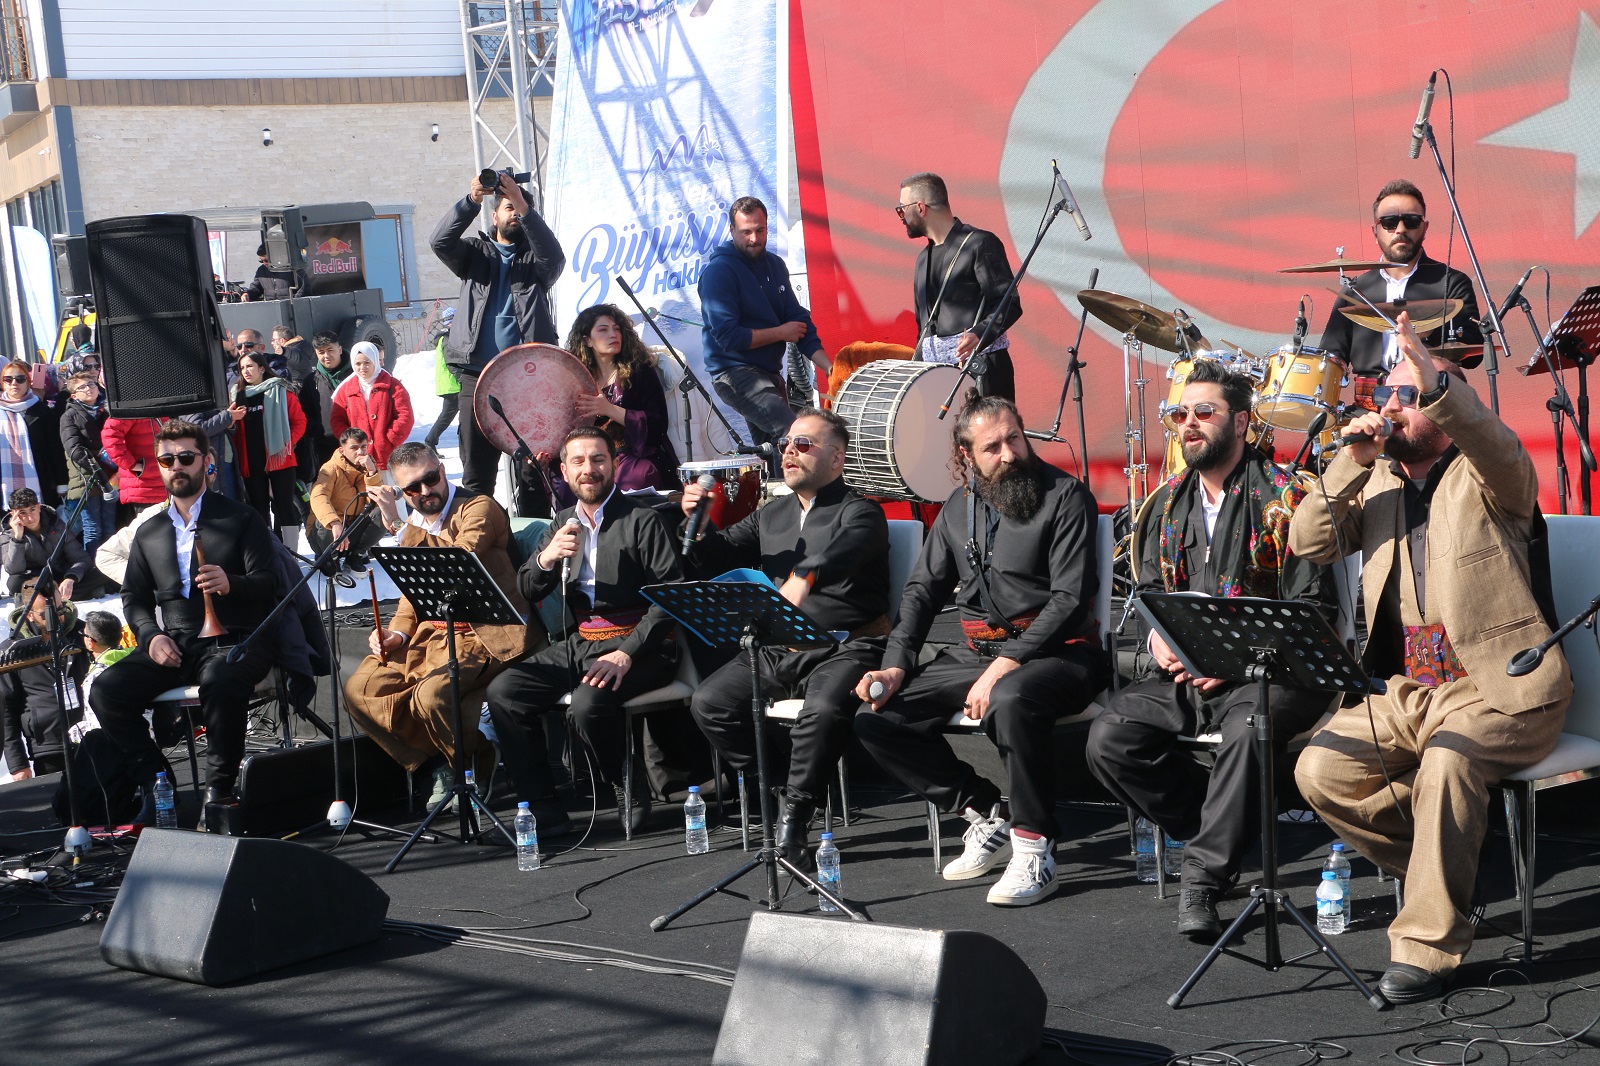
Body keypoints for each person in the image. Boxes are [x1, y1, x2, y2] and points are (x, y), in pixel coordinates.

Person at [1289, 312, 1570, 1004]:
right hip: (1408, 690)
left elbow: (1492, 439)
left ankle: (1427, 948)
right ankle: (1448, 871)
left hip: (1502, 686)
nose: (1389, 410)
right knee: (1318, 769)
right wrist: (1350, 463)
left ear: (1447, 408)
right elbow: (1307, 541)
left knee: (1449, 760)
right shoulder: (1377, 480)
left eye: (1407, 398)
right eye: (1386, 396)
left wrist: (1436, 376)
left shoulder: (1490, 476)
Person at [1084, 359, 1337, 938]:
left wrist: (1232, 660)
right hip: (1188, 674)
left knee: (1251, 731)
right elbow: (1149, 594)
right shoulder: (1165, 503)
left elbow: (1314, 611)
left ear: (1243, 422)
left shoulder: (1289, 499)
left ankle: (1202, 879)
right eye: (1180, 413)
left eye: (1204, 412)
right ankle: (1225, 832)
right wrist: (1161, 639)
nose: (1188, 423)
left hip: (1273, 677)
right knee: (1109, 737)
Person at [854, 394, 1104, 906]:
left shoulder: (1066, 496)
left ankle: (1035, 848)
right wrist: (896, 664)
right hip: (978, 653)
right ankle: (987, 812)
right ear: (966, 455)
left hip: (1062, 652)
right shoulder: (957, 506)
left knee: (1012, 699)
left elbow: (1070, 598)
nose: (1010, 453)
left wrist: (1008, 665)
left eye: (1015, 437)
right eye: (993, 446)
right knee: (877, 717)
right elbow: (921, 592)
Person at [683, 408, 887, 867]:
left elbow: (848, 548)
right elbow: (716, 555)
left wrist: (804, 574)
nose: (789, 452)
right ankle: (781, 794)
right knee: (710, 702)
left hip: (845, 645)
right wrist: (697, 523)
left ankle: (794, 819)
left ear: (837, 459)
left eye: (804, 444)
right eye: (786, 444)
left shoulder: (861, 510)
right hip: (780, 646)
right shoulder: (771, 515)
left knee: (824, 708)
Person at [486, 426, 684, 835]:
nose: (589, 469)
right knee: (505, 692)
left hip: (643, 644)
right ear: (564, 470)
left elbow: (672, 598)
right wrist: (545, 557)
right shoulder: (560, 522)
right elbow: (527, 586)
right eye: (578, 461)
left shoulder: (642, 520)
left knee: (587, 704)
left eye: (598, 459)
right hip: (583, 641)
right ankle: (541, 805)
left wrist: (626, 652)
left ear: (613, 465)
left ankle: (626, 782)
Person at [90, 420, 282, 808]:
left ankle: (219, 789)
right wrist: (151, 636)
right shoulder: (149, 531)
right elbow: (135, 599)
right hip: (176, 640)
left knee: (221, 678)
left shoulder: (241, 518)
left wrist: (232, 583)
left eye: (186, 457)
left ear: (206, 462)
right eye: (166, 459)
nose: (176, 466)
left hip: (238, 634)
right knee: (106, 690)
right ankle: (155, 780)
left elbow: (271, 584)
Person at [344, 442, 533, 806]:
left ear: (442, 470)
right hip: (431, 633)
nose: (425, 492)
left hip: (483, 631)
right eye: (412, 488)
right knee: (361, 689)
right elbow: (410, 594)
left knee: (431, 695)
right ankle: (446, 758)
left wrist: (399, 526)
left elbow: (460, 557)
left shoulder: (480, 507)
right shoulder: (415, 522)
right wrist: (397, 633)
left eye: (430, 479)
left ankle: (467, 764)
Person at [431, 170, 565, 504]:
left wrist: (522, 204)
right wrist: (470, 201)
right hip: (476, 378)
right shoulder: (475, 253)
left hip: (528, 380)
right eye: (508, 208)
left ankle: (534, 549)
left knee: (534, 476)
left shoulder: (535, 261)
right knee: (477, 478)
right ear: (494, 215)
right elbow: (439, 242)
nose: (515, 215)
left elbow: (555, 259)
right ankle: (484, 546)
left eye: (519, 209)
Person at [1317, 179, 1483, 410]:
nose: (1401, 229)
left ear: (1424, 228)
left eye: (1412, 221)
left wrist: (1431, 335)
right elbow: (1329, 358)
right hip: (1368, 408)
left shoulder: (1451, 283)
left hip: (1427, 404)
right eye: (1389, 222)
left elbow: (1473, 354)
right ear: (1375, 231)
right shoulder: (1356, 290)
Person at [698, 196, 831, 457]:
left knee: (776, 453)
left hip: (768, 373)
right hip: (734, 374)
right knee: (798, 436)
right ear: (732, 230)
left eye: (760, 230)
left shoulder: (775, 266)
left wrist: (830, 367)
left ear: (768, 227)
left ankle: (780, 495)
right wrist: (782, 333)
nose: (754, 238)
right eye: (746, 231)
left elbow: (798, 321)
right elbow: (728, 337)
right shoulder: (719, 272)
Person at [896, 173, 1021, 401]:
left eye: (902, 209)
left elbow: (1009, 303)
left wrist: (979, 334)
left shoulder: (979, 243)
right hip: (936, 378)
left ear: (921, 207)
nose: (901, 216)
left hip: (981, 370)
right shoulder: (923, 259)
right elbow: (923, 326)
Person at [553, 303, 679, 502]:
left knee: (637, 479)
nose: (613, 334)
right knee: (569, 487)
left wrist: (610, 410)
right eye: (603, 330)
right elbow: (564, 428)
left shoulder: (639, 371)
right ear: (587, 340)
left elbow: (658, 425)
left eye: (617, 329)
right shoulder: (576, 380)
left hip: (631, 456)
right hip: (590, 459)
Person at [0, 581, 89, 779]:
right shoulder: (12, 652)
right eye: (45, 613)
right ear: (29, 614)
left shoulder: (84, 635)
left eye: (59, 609)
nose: (56, 616)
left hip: (92, 737)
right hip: (49, 746)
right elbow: (7, 710)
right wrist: (17, 765)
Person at [228, 350, 308, 539]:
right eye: (242, 368)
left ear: (262, 368)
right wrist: (230, 421)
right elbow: (232, 429)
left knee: (284, 507)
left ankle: (290, 553)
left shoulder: (281, 391)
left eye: (250, 366)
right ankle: (268, 551)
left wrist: (287, 443)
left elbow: (300, 422)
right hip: (252, 463)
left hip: (280, 459)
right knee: (258, 509)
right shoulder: (236, 396)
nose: (245, 371)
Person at [307, 427, 390, 569]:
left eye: (364, 447)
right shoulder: (330, 469)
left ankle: (355, 555)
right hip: (326, 533)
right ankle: (329, 557)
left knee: (383, 513)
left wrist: (372, 473)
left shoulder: (368, 467)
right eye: (354, 448)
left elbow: (376, 502)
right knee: (325, 521)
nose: (360, 452)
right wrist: (334, 523)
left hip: (350, 530)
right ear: (342, 450)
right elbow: (318, 496)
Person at [58, 371, 117, 568]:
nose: (89, 389)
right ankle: (93, 573)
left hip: (111, 476)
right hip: (87, 478)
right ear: (74, 395)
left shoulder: (106, 412)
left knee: (110, 527)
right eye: (82, 387)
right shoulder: (69, 416)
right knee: (93, 529)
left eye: (91, 384)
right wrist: (100, 457)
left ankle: (108, 571)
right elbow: (74, 449)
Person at [332, 341, 414, 474]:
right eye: (358, 364)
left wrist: (390, 438)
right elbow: (337, 419)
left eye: (367, 362)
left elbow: (405, 415)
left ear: (375, 361)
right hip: (358, 459)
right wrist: (350, 442)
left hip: (387, 456)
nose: (362, 367)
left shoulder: (392, 385)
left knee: (389, 492)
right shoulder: (346, 389)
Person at [1, 359, 68, 508]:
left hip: (41, 480)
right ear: (2, 383)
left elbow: (56, 449)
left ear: (28, 382)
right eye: (8, 379)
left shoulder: (42, 411)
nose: (14, 383)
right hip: (5, 484)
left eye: (20, 379)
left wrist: (62, 483)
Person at [3, 487, 90, 599]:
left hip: (60, 574)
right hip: (35, 580)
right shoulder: (8, 534)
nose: (30, 518)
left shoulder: (56, 524)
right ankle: (62, 595)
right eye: (23, 513)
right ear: (13, 514)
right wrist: (17, 538)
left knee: (98, 571)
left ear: (39, 507)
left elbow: (81, 559)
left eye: (32, 509)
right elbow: (13, 570)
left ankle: (47, 596)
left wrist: (71, 578)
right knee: (14, 582)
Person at [101, 414, 167, 523]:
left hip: (167, 483)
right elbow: (110, 435)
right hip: (145, 485)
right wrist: (132, 465)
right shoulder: (131, 405)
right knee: (150, 533)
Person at [423, 306, 461, 450]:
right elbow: (451, 362)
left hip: (450, 384)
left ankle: (430, 441)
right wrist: (461, 377)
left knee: (447, 416)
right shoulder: (447, 338)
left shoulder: (444, 337)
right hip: (453, 384)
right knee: (446, 417)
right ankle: (430, 442)